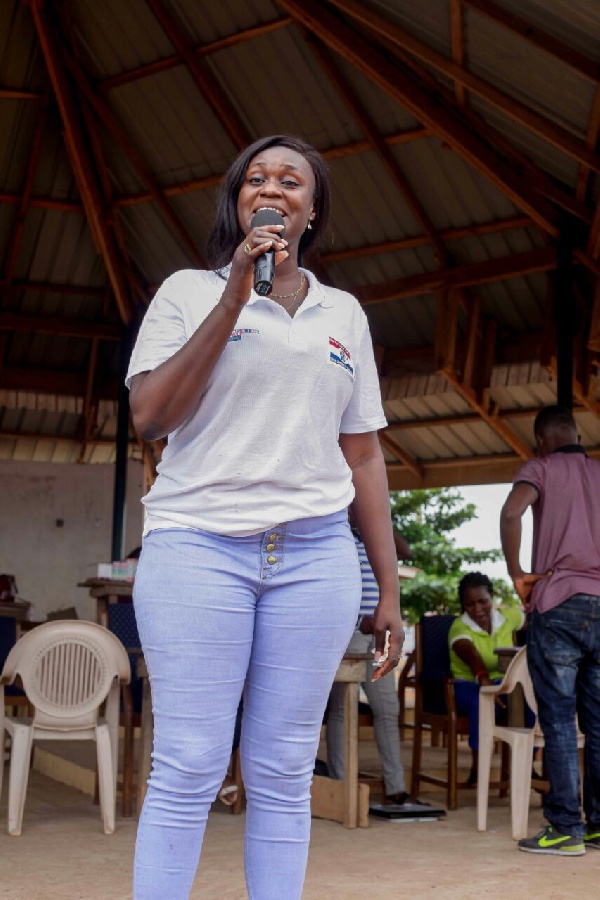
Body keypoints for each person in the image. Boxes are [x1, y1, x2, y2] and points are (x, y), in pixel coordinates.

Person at [126, 134, 404, 899]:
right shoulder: (188, 292)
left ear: (311, 211)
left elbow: (364, 457)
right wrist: (233, 300)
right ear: (239, 202)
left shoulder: (343, 313)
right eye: (256, 179)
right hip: (198, 548)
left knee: (284, 768)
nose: (272, 189)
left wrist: (388, 586)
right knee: (189, 761)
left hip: (315, 557)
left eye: (290, 180)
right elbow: (151, 414)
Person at [500, 405, 600, 857]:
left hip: (558, 601)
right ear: (577, 434)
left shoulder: (539, 467)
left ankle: (565, 828)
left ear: (542, 439)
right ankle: (598, 826)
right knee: (598, 723)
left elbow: (511, 512)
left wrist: (517, 571)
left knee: (559, 720)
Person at [327, 512, 411, 804]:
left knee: (387, 709)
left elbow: (405, 551)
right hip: (346, 633)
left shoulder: (374, 535)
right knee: (340, 709)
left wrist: (374, 518)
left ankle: (395, 787)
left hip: (376, 634)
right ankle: (340, 784)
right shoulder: (335, 532)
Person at [449, 571, 525, 786]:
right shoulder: (459, 627)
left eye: (483, 601)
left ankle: (525, 764)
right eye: (470, 604)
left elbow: (532, 617)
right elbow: (470, 653)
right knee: (483, 700)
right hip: (467, 685)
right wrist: (483, 677)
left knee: (527, 698)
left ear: (492, 597)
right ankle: (479, 765)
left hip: (503, 683)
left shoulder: (507, 618)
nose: (477, 609)